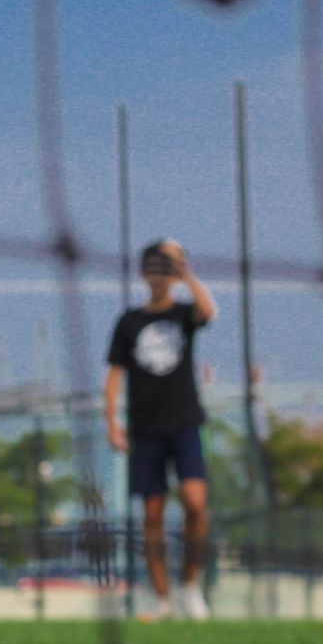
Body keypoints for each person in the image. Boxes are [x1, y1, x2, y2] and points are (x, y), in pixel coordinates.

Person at [106, 239, 218, 621]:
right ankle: (162, 598)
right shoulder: (129, 322)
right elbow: (115, 374)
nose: (160, 274)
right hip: (145, 428)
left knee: (196, 503)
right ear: (143, 273)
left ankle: (190, 586)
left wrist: (185, 273)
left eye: (166, 267)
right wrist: (112, 422)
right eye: (155, 267)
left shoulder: (184, 314)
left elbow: (209, 311)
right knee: (151, 515)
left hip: (185, 423)